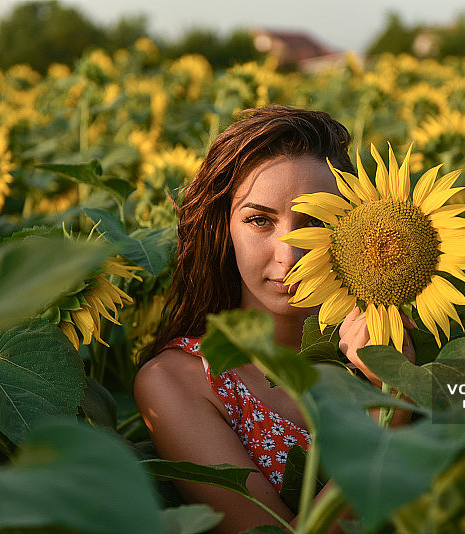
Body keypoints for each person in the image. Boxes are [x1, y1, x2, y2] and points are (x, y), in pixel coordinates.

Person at [134, 105, 415, 533]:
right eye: (259, 220)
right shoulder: (177, 382)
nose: (289, 255)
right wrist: (395, 409)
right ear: (224, 228)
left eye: (316, 224)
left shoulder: (404, 334)